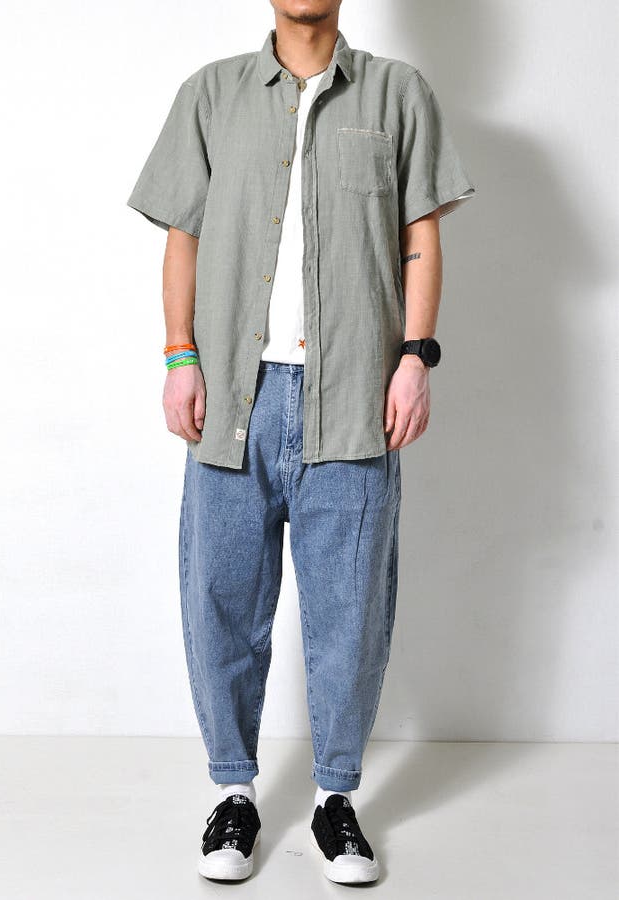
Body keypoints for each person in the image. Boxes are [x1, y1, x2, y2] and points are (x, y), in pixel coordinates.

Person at [126, 0, 476, 885]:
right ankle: (233, 793)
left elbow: (420, 238)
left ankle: (335, 800)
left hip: (353, 396)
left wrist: (415, 357)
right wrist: (179, 357)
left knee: (349, 615)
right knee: (221, 604)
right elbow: (182, 237)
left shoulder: (398, 94)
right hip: (232, 399)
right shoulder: (210, 95)